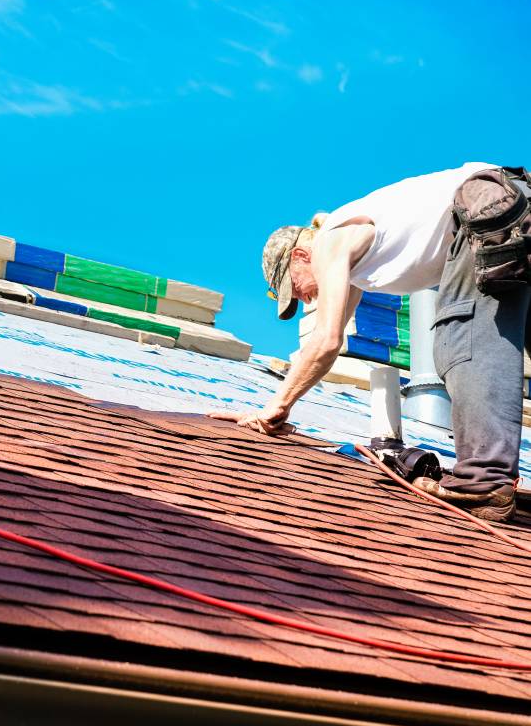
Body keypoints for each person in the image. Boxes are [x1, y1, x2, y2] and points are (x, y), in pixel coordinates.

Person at [210, 162, 531, 523]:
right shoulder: (358, 262)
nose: (303, 300)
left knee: (462, 338)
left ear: (301, 257)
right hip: (514, 207)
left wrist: (274, 408)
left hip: (490, 205)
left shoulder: (331, 241)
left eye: (295, 289)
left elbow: (326, 338)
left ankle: (484, 481)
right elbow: (334, 335)